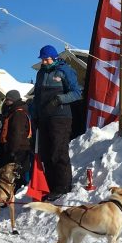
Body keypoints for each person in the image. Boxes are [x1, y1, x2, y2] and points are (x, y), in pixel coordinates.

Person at [31, 45, 82, 201]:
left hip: (61, 117)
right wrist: (35, 114)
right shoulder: (41, 73)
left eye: (47, 59)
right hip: (44, 118)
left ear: (54, 58)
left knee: (58, 152)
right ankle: (50, 186)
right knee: (46, 153)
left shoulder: (65, 70)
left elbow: (76, 93)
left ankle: (63, 186)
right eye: (43, 59)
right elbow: (37, 97)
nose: (45, 62)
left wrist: (60, 99)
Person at [0, 89, 32, 180]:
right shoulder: (14, 111)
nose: (6, 101)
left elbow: (17, 133)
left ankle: (18, 192)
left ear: (13, 100)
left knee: (16, 177)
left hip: (18, 150)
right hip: (19, 148)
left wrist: (13, 151)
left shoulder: (18, 113)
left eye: (8, 99)